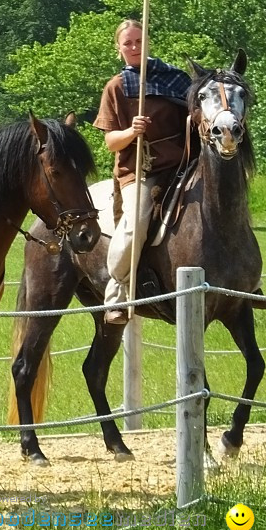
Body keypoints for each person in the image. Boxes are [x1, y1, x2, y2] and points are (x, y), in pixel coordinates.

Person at [93, 19, 192, 325]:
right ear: (118, 48)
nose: (134, 47)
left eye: (139, 41)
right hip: (140, 169)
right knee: (136, 222)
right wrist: (131, 132)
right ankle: (117, 291)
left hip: (182, 164)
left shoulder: (175, 78)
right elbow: (111, 142)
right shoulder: (116, 87)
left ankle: (247, 280)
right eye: (128, 43)